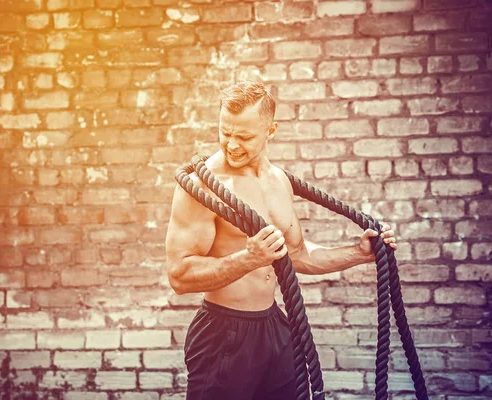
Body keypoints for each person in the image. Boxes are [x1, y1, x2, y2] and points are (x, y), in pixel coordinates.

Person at [165, 81, 398, 400]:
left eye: (244, 137)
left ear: (270, 131)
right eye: (225, 132)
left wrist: (359, 253)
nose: (231, 145)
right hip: (223, 333)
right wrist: (248, 259)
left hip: (274, 327)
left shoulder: (279, 182)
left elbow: (297, 256)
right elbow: (179, 275)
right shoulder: (202, 187)